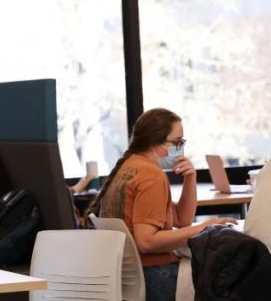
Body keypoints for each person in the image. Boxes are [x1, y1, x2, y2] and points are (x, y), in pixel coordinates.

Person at [85, 108, 236, 301]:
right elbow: (146, 242)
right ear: (154, 141)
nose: (180, 148)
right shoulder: (151, 176)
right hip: (157, 275)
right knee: (236, 276)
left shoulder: (130, 167)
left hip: (132, 278)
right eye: (177, 142)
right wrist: (206, 226)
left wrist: (191, 178)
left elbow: (182, 220)